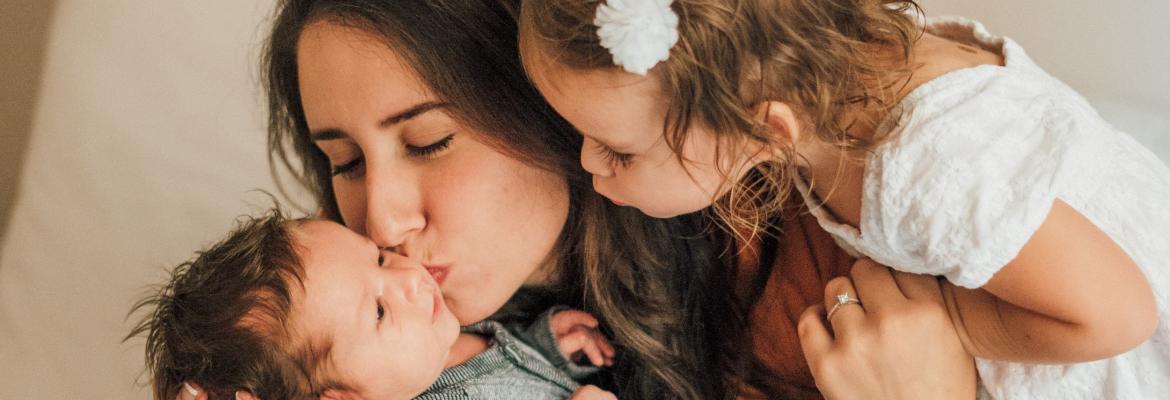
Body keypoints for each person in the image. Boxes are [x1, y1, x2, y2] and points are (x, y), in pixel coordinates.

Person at [175, 0, 975, 398]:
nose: (382, 220)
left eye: (428, 141)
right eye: (343, 162)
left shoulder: (830, 238)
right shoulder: (363, 344)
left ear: (549, 101)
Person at [517, 0, 1170, 397]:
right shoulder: (838, 85)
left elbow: (1117, 316)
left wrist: (951, 322)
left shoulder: (927, 167)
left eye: (618, 150)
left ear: (763, 132)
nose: (584, 162)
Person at [131, 210, 618, 399]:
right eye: (380, 311)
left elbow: (503, 358)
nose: (407, 278)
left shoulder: (440, 333)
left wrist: (549, 345)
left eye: (381, 259)